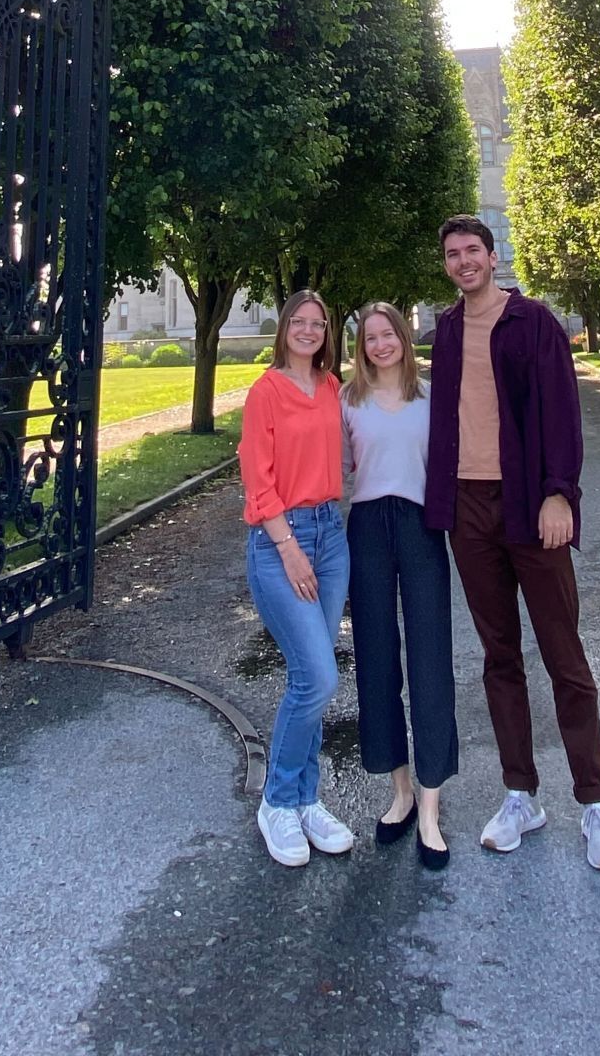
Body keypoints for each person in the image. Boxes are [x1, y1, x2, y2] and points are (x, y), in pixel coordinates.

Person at [423, 215, 600, 872]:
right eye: (453, 255)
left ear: (491, 256)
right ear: (447, 264)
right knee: (499, 657)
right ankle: (521, 795)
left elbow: (561, 412)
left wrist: (558, 493)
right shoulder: (449, 330)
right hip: (469, 509)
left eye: (473, 252)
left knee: (564, 656)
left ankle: (595, 804)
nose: (464, 263)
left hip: (529, 506)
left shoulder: (534, 322)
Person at [238, 289, 355, 867]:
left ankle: (307, 800)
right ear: (284, 329)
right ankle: (277, 802)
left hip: (331, 537)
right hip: (280, 540)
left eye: (319, 323)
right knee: (317, 676)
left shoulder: (332, 386)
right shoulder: (265, 392)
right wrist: (288, 548)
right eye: (299, 323)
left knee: (314, 677)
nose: (308, 331)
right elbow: (256, 480)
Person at [342, 301, 457, 871]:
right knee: (377, 658)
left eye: (389, 334)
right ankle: (401, 792)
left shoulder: (431, 398)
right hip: (365, 527)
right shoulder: (347, 400)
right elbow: (333, 471)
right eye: (371, 338)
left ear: (404, 339)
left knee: (431, 658)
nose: (381, 344)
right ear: (360, 346)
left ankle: (432, 809)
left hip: (419, 526)